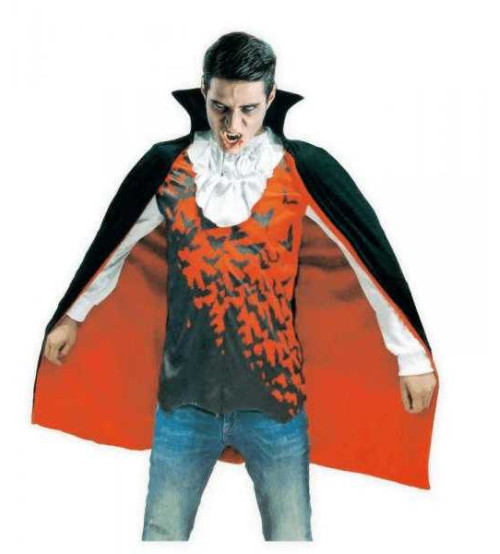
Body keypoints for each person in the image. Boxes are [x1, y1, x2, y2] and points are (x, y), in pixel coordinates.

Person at [33, 31, 439, 541]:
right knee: (161, 536)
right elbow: (114, 245)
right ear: (203, 92)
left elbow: (366, 261)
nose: (233, 126)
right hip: (184, 402)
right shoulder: (170, 167)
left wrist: (412, 357)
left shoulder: (300, 170)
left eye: (248, 109)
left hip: (276, 404)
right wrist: (73, 315)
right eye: (220, 107)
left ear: (271, 98)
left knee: (291, 538)